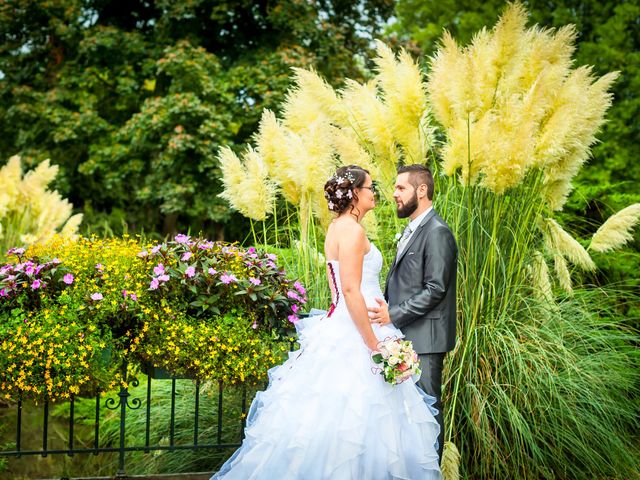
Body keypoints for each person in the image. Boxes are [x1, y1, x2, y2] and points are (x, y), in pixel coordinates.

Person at [211, 165, 441, 480]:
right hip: (360, 329)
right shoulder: (352, 230)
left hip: (345, 322)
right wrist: (374, 344)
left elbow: (342, 291)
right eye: (370, 187)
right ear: (354, 193)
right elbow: (349, 290)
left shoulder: (337, 227)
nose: (375, 193)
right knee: (361, 422)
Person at [368, 164, 457, 462]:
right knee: (409, 414)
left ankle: (431, 470)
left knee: (428, 409)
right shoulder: (411, 229)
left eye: (400, 188)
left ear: (422, 190)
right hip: (404, 337)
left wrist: (393, 314)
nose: (394, 194)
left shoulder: (437, 232)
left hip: (426, 340)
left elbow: (436, 289)